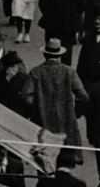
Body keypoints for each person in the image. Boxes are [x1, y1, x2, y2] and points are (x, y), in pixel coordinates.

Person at [30, 38, 87, 170]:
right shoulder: (69, 72)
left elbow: (26, 96)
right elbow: (83, 96)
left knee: (44, 163)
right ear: (60, 55)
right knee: (65, 164)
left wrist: (36, 112)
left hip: (43, 123)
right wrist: (75, 112)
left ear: (45, 54)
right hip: (65, 123)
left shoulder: (36, 72)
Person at [39, 0, 86, 65]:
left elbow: (42, 3)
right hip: (69, 24)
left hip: (52, 24)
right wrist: (74, 15)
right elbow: (82, 5)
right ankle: (65, 71)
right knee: (67, 52)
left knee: (50, 50)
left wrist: (48, 15)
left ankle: (50, 68)